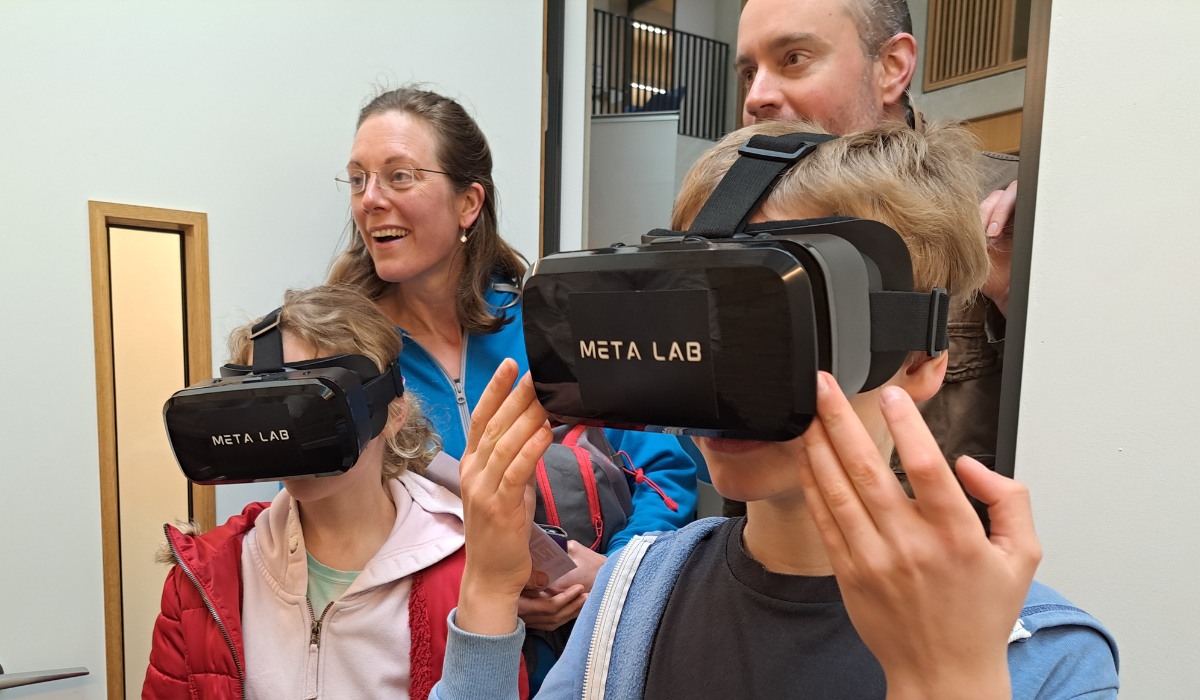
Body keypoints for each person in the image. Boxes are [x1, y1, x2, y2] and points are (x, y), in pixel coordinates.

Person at [429, 120, 1119, 699]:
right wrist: (490, 583)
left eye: (781, 325)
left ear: (918, 358)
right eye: (705, 319)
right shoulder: (637, 592)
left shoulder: (1042, 655)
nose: (728, 376)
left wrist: (952, 679)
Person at [325, 86, 697, 682]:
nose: (370, 200)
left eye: (399, 176)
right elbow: (335, 533)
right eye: (358, 179)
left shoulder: (556, 325)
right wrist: (483, 591)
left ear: (468, 202)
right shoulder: (352, 361)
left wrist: (611, 572)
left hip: (591, 653)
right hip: (433, 662)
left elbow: (665, 470)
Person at [142, 286, 527, 700]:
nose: (290, 435)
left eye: (311, 406)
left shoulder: (468, 571)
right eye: (270, 406)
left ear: (393, 413)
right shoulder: (203, 580)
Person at [723, 0, 1017, 512]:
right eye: (749, 72)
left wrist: (1019, 295)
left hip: (935, 573)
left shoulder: (1006, 212)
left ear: (892, 67)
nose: (757, 97)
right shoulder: (732, 202)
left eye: (793, 58)